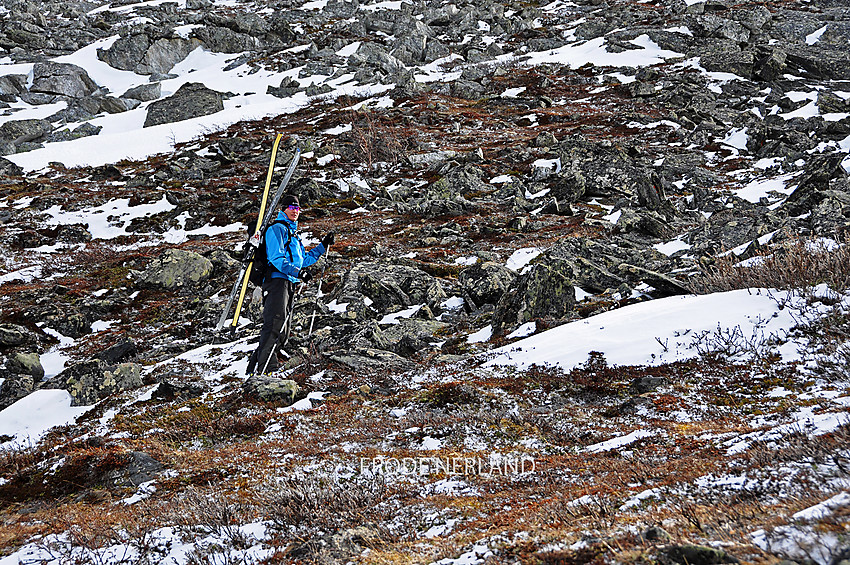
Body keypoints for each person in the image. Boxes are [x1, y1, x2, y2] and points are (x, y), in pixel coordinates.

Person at [247, 194, 335, 374]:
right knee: (274, 323)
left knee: (284, 329)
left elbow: (303, 260)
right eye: (291, 207)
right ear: (283, 209)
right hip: (276, 281)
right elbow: (276, 258)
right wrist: (298, 272)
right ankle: (267, 369)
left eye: (298, 208)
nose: (296, 211)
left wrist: (323, 246)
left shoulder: (293, 234)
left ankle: (259, 363)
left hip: (289, 282)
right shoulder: (277, 229)